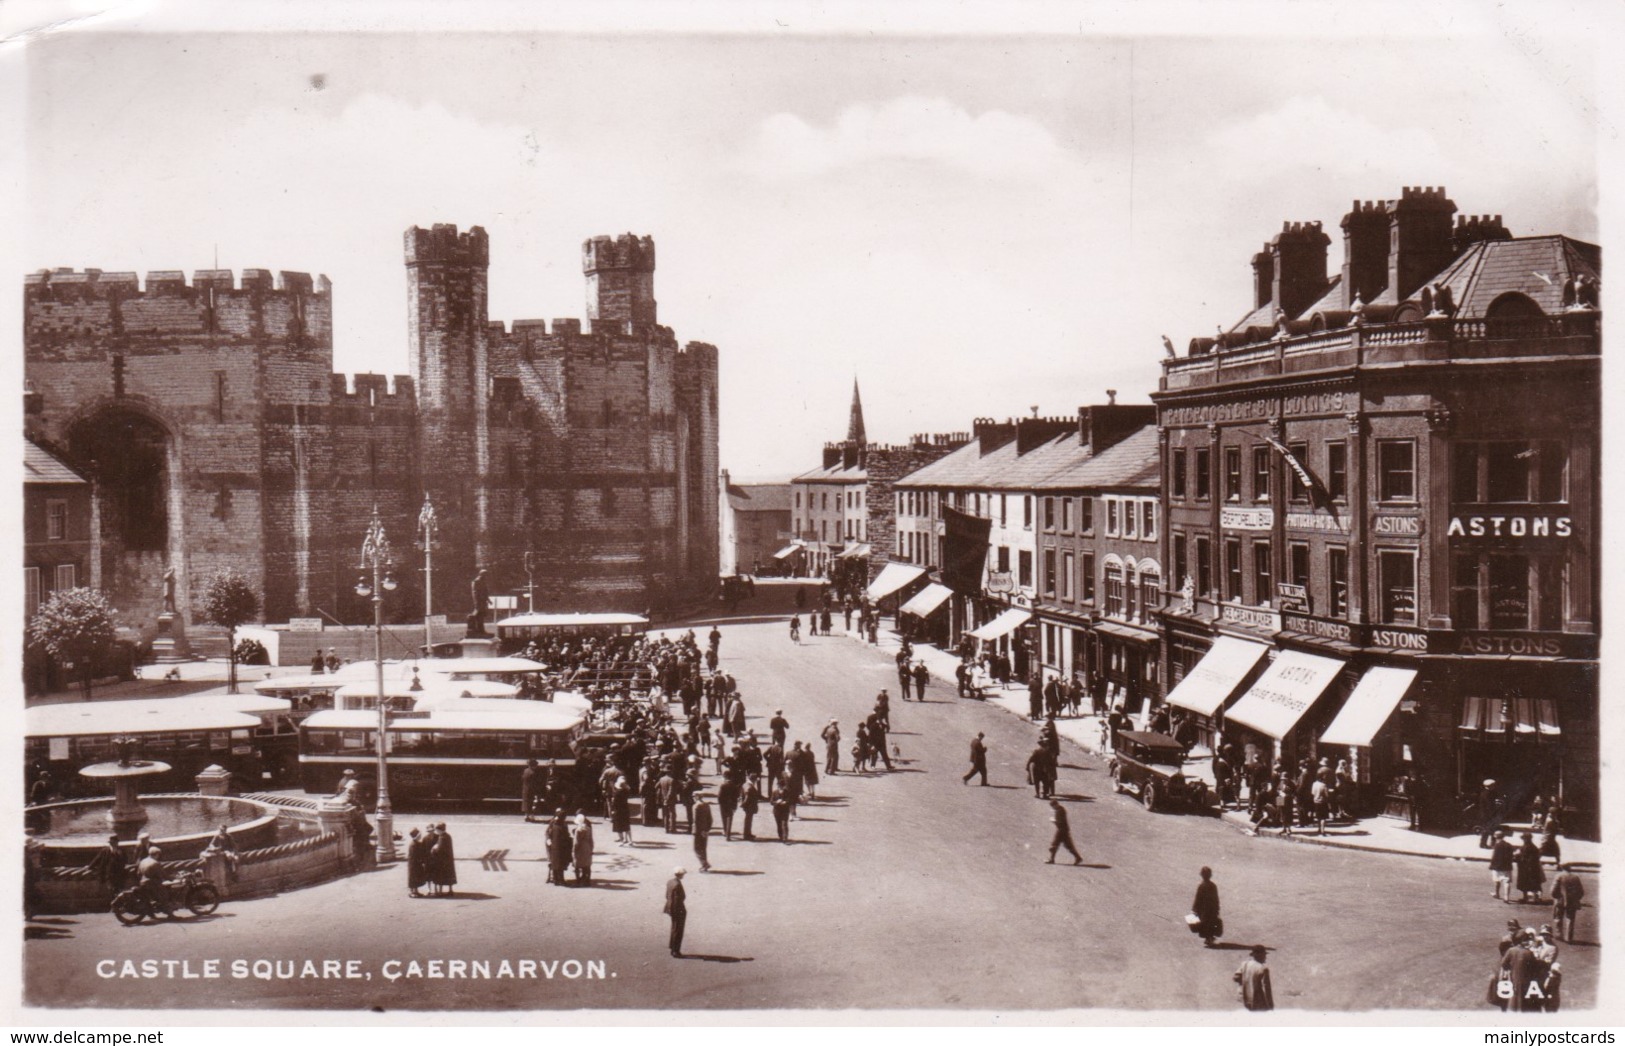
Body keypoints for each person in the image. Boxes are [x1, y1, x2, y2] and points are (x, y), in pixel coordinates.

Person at [88, 834, 129, 902]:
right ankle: (114, 904)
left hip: (119, 874)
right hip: (109, 874)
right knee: (111, 890)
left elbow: (125, 860)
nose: (113, 844)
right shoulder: (105, 851)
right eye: (112, 843)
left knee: (119, 889)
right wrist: (90, 867)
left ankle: (118, 904)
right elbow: (97, 859)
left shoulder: (121, 850)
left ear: (117, 843)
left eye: (114, 842)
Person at [1551, 864, 1584, 942]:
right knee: (1570, 918)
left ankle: (1559, 934)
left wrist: (1556, 897)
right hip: (1572, 901)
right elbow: (1581, 891)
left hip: (1560, 900)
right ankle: (1569, 937)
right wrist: (1576, 898)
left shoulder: (1559, 876)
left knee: (1558, 917)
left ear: (1562, 867)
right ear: (1569, 867)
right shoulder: (1576, 877)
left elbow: (1553, 890)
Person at [1234, 946, 1274, 1011]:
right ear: (1259, 955)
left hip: (1245, 1000)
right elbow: (1267, 989)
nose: (1265, 957)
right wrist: (1270, 1005)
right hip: (1258, 1001)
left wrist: (1247, 982)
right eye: (1264, 955)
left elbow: (1236, 978)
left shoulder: (1245, 964)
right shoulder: (1263, 969)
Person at [136, 844, 171, 916]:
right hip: (152, 883)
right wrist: (171, 878)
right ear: (157, 854)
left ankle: (151, 914)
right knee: (165, 895)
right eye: (158, 854)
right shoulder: (155, 863)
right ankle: (170, 914)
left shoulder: (143, 861)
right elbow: (162, 875)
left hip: (142, 882)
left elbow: (138, 873)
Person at [1191, 867, 1222, 946]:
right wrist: (1217, 908)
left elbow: (1197, 898)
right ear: (1210, 875)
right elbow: (1216, 899)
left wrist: (1194, 909)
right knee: (1210, 924)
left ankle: (1208, 939)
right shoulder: (1213, 885)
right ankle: (1209, 938)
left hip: (1203, 910)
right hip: (1211, 910)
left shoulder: (1201, 885)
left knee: (1205, 924)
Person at [1046, 800, 1083, 865]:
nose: (1053, 808)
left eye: (1053, 806)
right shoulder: (1061, 809)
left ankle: (1052, 859)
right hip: (1064, 830)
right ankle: (1078, 857)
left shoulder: (1059, 811)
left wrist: (1053, 821)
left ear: (1055, 805)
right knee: (1068, 846)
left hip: (1061, 831)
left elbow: (1060, 823)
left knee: (1054, 845)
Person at [1515, 831, 1545, 903]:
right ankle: (1533, 898)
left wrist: (1517, 856)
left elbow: (1526, 859)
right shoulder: (1532, 847)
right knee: (1532, 883)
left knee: (1528, 883)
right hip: (1531, 868)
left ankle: (1529, 898)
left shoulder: (1527, 847)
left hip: (1527, 868)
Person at [664, 867, 687, 957]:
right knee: (678, 930)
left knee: (674, 928)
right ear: (680, 874)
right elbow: (679, 899)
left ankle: (672, 948)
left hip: (670, 907)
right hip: (678, 909)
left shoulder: (670, 882)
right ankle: (675, 950)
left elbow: (667, 895)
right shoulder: (677, 884)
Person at [545, 811, 572, 886]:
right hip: (561, 848)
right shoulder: (562, 826)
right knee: (561, 865)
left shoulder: (554, 825)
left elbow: (548, 834)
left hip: (554, 847)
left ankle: (555, 879)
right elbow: (566, 837)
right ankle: (561, 879)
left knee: (555, 864)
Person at [431, 822, 456, 897]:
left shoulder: (442, 837)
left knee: (441, 875)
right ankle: (450, 890)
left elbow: (439, 850)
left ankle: (440, 891)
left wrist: (434, 849)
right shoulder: (448, 836)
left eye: (437, 830)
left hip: (442, 861)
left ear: (440, 830)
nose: (436, 832)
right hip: (448, 859)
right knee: (449, 875)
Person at [1488, 830, 1515, 901]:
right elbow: (1511, 856)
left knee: (1497, 881)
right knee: (1506, 881)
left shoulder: (1496, 845)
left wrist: (1492, 865)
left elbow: (1494, 857)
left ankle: (1497, 893)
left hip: (1497, 866)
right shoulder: (1508, 845)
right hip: (1507, 866)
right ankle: (1507, 897)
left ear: (1495, 836)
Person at [571, 813, 595, 886]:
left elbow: (576, 842)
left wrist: (574, 850)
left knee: (577, 865)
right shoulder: (588, 828)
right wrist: (591, 849)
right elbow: (591, 840)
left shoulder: (578, 830)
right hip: (587, 847)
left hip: (580, 848)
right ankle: (587, 881)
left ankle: (578, 881)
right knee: (587, 865)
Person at [691, 797, 714, 872]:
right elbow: (710, 819)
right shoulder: (706, 805)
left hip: (698, 831)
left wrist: (698, 831)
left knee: (696, 848)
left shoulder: (696, 806)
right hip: (705, 830)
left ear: (696, 797)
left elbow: (696, 820)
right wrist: (707, 829)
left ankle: (704, 864)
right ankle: (704, 865)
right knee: (703, 848)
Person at [406, 827, 429, 897]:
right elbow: (414, 855)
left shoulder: (416, 843)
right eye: (419, 836)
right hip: (414, 864)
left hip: (416, 864)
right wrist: (420, 860)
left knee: (416, 877)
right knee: (413, 877)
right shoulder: (413, 845)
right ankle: (413, 892)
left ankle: (415, 891)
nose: (420, 837)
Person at [740, 775, 762, 841]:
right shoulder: (749, 787)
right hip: (749, 806)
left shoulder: (745, 784)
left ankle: (748, 833)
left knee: (748, 820)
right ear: (753, 780)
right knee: (748, 821)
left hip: (748, 806)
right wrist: (744, 804)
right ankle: (746, 835)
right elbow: (747, 797)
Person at [521, 758, 541, 823]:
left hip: (525, 789)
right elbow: (534, 783)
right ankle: (532, 817)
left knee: (526, 802)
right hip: (531, 790)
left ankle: (526, 816)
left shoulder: (525, 770)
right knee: (532, 803)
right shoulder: (533, 773)